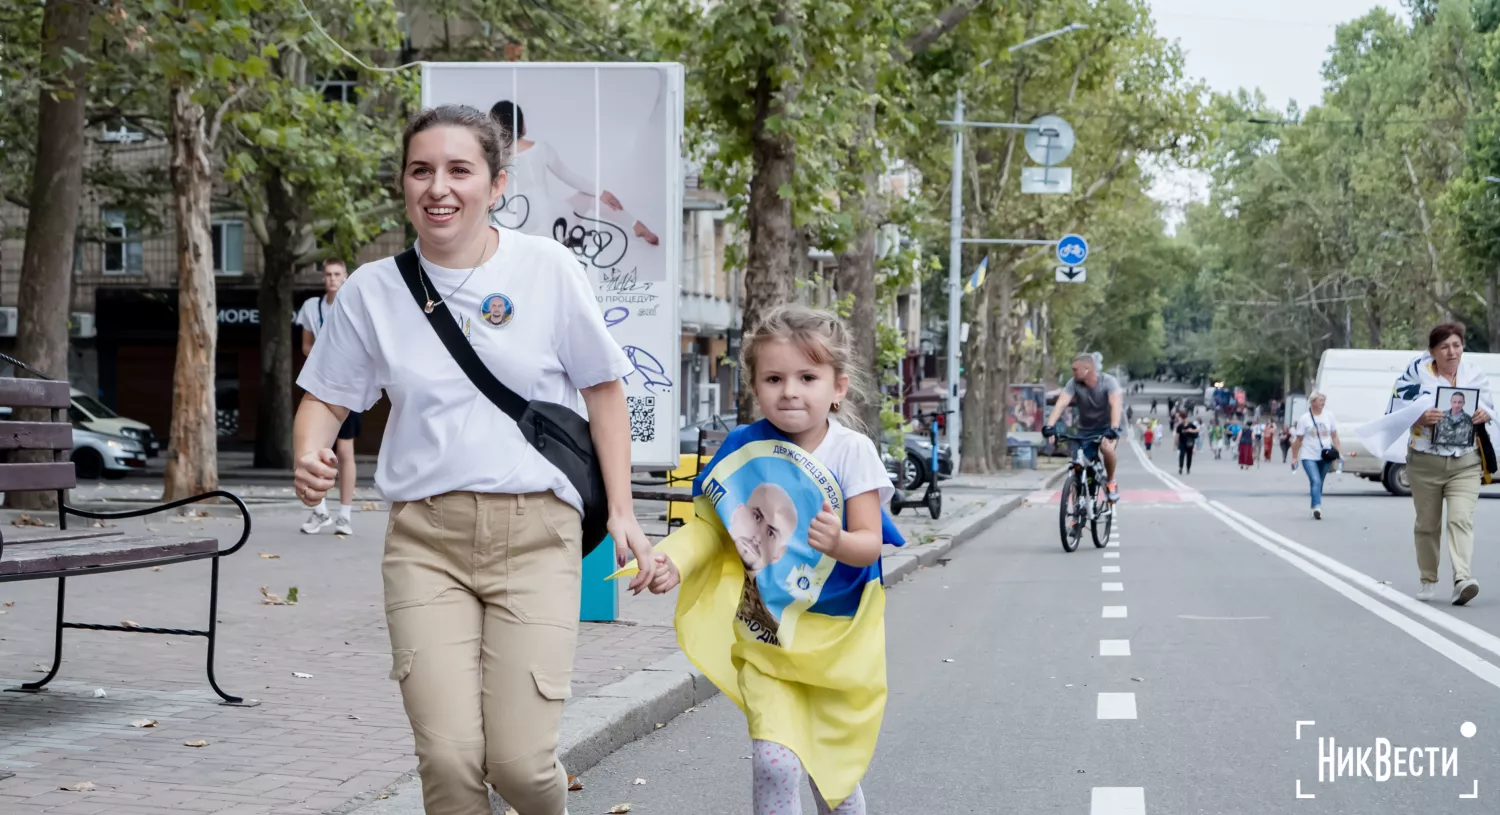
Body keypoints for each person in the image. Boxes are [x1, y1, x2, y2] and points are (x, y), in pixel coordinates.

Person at [291, 105, 659, 815]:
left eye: (460, 170)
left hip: (536, 536)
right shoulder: (372, 290)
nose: (439, 187)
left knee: (520, 767)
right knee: (451, 762)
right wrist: (308, 452)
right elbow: (326, 398)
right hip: (425, 542)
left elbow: (603, 392)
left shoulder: (546, 268)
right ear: (403, 184)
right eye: (421, 170)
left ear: (496, 184)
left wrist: (622, 514)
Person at [640, 304, 898, 814]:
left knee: (834, 778)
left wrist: (840, 543)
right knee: (774, 763)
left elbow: (871, 539)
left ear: (838, 387)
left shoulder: (852, 451)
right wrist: (673, 561)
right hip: (769, 634)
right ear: (754, 386)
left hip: (839, 642)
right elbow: (713, 530)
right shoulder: (742, 446)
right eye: (774, 378)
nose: (790, 391)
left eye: (808, 376)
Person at [1358, 323, 1490, 605]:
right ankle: (1428, 579)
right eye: (1444, 347)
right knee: (1428, 525)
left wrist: (1482, 414)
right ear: (1432, 352)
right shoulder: (1415, 375)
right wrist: (1419, 417)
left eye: (1456, 345)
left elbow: (1488, 405)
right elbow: (1396, 409)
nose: (1451, 352)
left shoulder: (1474, 374)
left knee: (1461, 519)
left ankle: (1462, 579)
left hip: (1465, 462)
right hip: (1424, 462)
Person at [489, 100, 659, 245]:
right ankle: (635, 225)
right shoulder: (539, 148)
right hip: (548, 222)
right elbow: (570, 177)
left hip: (512, 227)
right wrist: (601, 192)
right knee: (589, 196)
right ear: (521, 122)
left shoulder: (491, 157)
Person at [294, 258, 359, 536]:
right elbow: (306, 346)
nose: (333, 279)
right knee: (310, 449)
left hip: (348, 385)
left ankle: (345, 514)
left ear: (346, 277)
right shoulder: (312, 307)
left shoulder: (354, 305)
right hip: (321, 382)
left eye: (337, 274)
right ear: (323, 278)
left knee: (344, 451)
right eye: (328, 274)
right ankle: (319, 510)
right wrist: (326, 353)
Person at [1043, 354, 1124, 502]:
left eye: (1075, 369)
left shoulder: (1108, 382)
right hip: (1084, 431)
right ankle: (1076, 517)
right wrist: (1050, 426)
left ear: (1087, 369)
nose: (1072, 372)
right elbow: (1061, 404)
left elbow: (1115, 405)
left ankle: (1111, 482)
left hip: (1107, 428)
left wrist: (1113, 428)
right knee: (1077, 469)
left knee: (1107, 449)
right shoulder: (1073, 383)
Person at [1291, 393, 1341, 520]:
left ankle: (1314, 506)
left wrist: (1338, 452)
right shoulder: (1305, 419)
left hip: (1325, 455)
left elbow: (1334, 435)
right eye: (1320, 400)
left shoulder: (1329, 416)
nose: (1323, 403)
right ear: (1313, 402)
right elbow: (1298, 440)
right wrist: (1294, 457)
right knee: (1315, 480)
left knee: (1320, 481)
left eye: (1324, 400)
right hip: (1309, 455)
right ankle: (1317, 507)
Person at [1175, 411, 1199, 475]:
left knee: (1189, 456)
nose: (1183, 420)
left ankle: (1188, 468)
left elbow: (1197, 430)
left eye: (1184, 418)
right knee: (1181, 456)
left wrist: (1191, 430)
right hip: (1182, 443)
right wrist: (1175, 444)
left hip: (1190, 443)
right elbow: (1177, 435)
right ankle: (1180, 468)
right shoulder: (1179, 426)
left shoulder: (1191, 425)